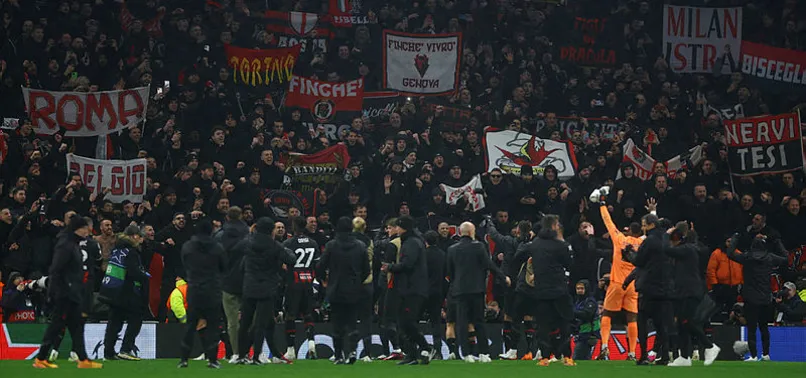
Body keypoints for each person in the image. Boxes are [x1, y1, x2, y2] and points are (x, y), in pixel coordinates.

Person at [33, 216, 102, 369]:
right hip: (64, 293)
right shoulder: (65, 245)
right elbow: (56, 269)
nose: (88, 231)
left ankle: (83, 360)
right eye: (85, 228)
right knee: (56, 325)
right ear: (78, 229)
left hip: (72, 293)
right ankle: (40, 358)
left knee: (77, 326)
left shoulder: (72, 244)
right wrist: (53, 292)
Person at [590, 187, 643, 361]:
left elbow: (608, 222)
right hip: (633, 284)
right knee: (632, 317)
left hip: (617, 283)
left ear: (628, 231)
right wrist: (653, 212)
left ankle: (604, 348)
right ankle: (633, 353)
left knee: (607, 314)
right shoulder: (643, 243)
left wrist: (602, 203)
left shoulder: (620, 239)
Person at [446, 222, 510, 364]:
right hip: (476, 289)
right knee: (479, 321)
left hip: (459, 291)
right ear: (471, 232)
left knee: (462, 322)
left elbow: (449, 271)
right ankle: (484, 353)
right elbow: (489, 265)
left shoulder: (452, 249)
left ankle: (466, 354)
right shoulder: (479, 246)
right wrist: (503, 277)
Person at [236, 217, 295, 365]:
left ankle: (241, 355)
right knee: (260, 324)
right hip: (267, 288)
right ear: (271, 230)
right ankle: (256, 356)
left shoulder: (247, 243)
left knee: (245, 323)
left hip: (249, 286)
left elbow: (241, 265)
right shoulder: (275, 246)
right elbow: (291, 260)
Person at [662, 222, 721, 367]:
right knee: (682, 324)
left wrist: (665, 235)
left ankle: (710, 346)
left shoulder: (687, 249)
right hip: (683, 291)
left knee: (687, 321)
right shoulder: (689, 249)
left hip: (690, 291)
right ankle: (684, 357)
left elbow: (666, 249)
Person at [724, 232, 788, 361]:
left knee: (752, 328)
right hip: (765, 298)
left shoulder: (747, 257)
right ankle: (766, 354)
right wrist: (777, 241)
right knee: (764, 327)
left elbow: (730, 254)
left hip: (751, 298)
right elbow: (786, 258)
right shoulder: (769, 257)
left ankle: (753, 355)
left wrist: (736, 238)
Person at [317, 216, 370, 364]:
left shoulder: (332, 245)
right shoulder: (360, 246)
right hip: (354, 289)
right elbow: (366, 269)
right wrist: (358, 281)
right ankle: (352, 351)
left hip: (336, 288)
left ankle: (339, 355)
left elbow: (320, 266)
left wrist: (324, 280)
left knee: (337, 324)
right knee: (352, 322)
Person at [381, 216, 432, 365]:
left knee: (406, 321)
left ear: (403, 228)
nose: (395, 229)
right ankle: (413, 353)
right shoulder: (412, 241)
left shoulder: (411, 243)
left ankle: (424, 348)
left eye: (397, 226)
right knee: (404, 322)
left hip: (413, 288)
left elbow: (408, 264)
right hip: (410, 287)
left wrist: (390, 267)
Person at [178, 220, 227, 369]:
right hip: (212, 290)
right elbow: (224, 267)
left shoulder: (187, 247)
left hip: (194, 289)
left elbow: (184, 263)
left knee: (191, 325)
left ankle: (184, 359)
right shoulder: (217, 248)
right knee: (213, 326)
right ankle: (212, 360)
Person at [527, 215, 575, 367]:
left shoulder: (535, 244)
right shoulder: (560, 245)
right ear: (554, 226)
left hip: (541, 289)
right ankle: (566, 356)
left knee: (542, 325)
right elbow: (569, 264)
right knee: (564, 323)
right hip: (559, 289)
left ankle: (545, 357)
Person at [626, 214, 674, 366]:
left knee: (642, 321)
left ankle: (643, 355)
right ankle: (665, 356)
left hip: (649, 287)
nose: (643, 227)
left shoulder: (649, 241)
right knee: (661, 324)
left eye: (644, 224)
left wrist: (629, 254)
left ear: (650, 225)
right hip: (665, 287)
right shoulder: (667, 240)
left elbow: (639, 261)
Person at [99, 225, 149, 361]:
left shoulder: (117, 249)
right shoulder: (131, 251)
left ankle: (108, 352)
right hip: (127, 291)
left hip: (112, 291)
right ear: (134, 236)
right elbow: (133, 272)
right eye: (139, 236)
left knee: (114, 321)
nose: (141, 239)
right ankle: (126, 349)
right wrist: (144, 276)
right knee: (136, 319)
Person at [282, 216, 321, 360]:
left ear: (293, 226)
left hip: (294, 281)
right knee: (308, 314)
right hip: (309, 281)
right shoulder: (313, 243)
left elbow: (284, 264)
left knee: (290, 315)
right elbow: (317, 264)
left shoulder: (288, 243)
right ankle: (311, 343)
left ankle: (291, 349)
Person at [216, 206, 249, 363]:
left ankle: (236, 353)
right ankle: (254, 352)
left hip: (227, 282)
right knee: (252, 319)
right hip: (248, 281)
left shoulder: (219, 236)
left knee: (232, 321)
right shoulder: (249, 235)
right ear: (241, 216)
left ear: (227, 217)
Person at [352, 216, 377, 362]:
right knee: (366, 319)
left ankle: (349, 351)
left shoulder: (347, 242)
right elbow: (371, 259)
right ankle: (367, 353)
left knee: (350, 319)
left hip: (351, 284)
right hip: (367, 282)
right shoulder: (369, 241)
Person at [423, 230, 446, 360]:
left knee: (414, 320)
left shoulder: (423, 255)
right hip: (438, 292)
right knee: (436, 322)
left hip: (423, 292)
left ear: (425, 241)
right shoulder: (442, 254)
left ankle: (419, 349)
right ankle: (438, 352)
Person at [572, 280, 599, 361]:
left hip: (589, 334)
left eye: (582, 288)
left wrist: (572, 312)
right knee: (585, 358)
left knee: (577, 357)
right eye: (578, 288)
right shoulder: (578, 301)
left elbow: (587, 315)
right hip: (581, 333)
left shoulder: (590, 301)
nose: (579, 290)